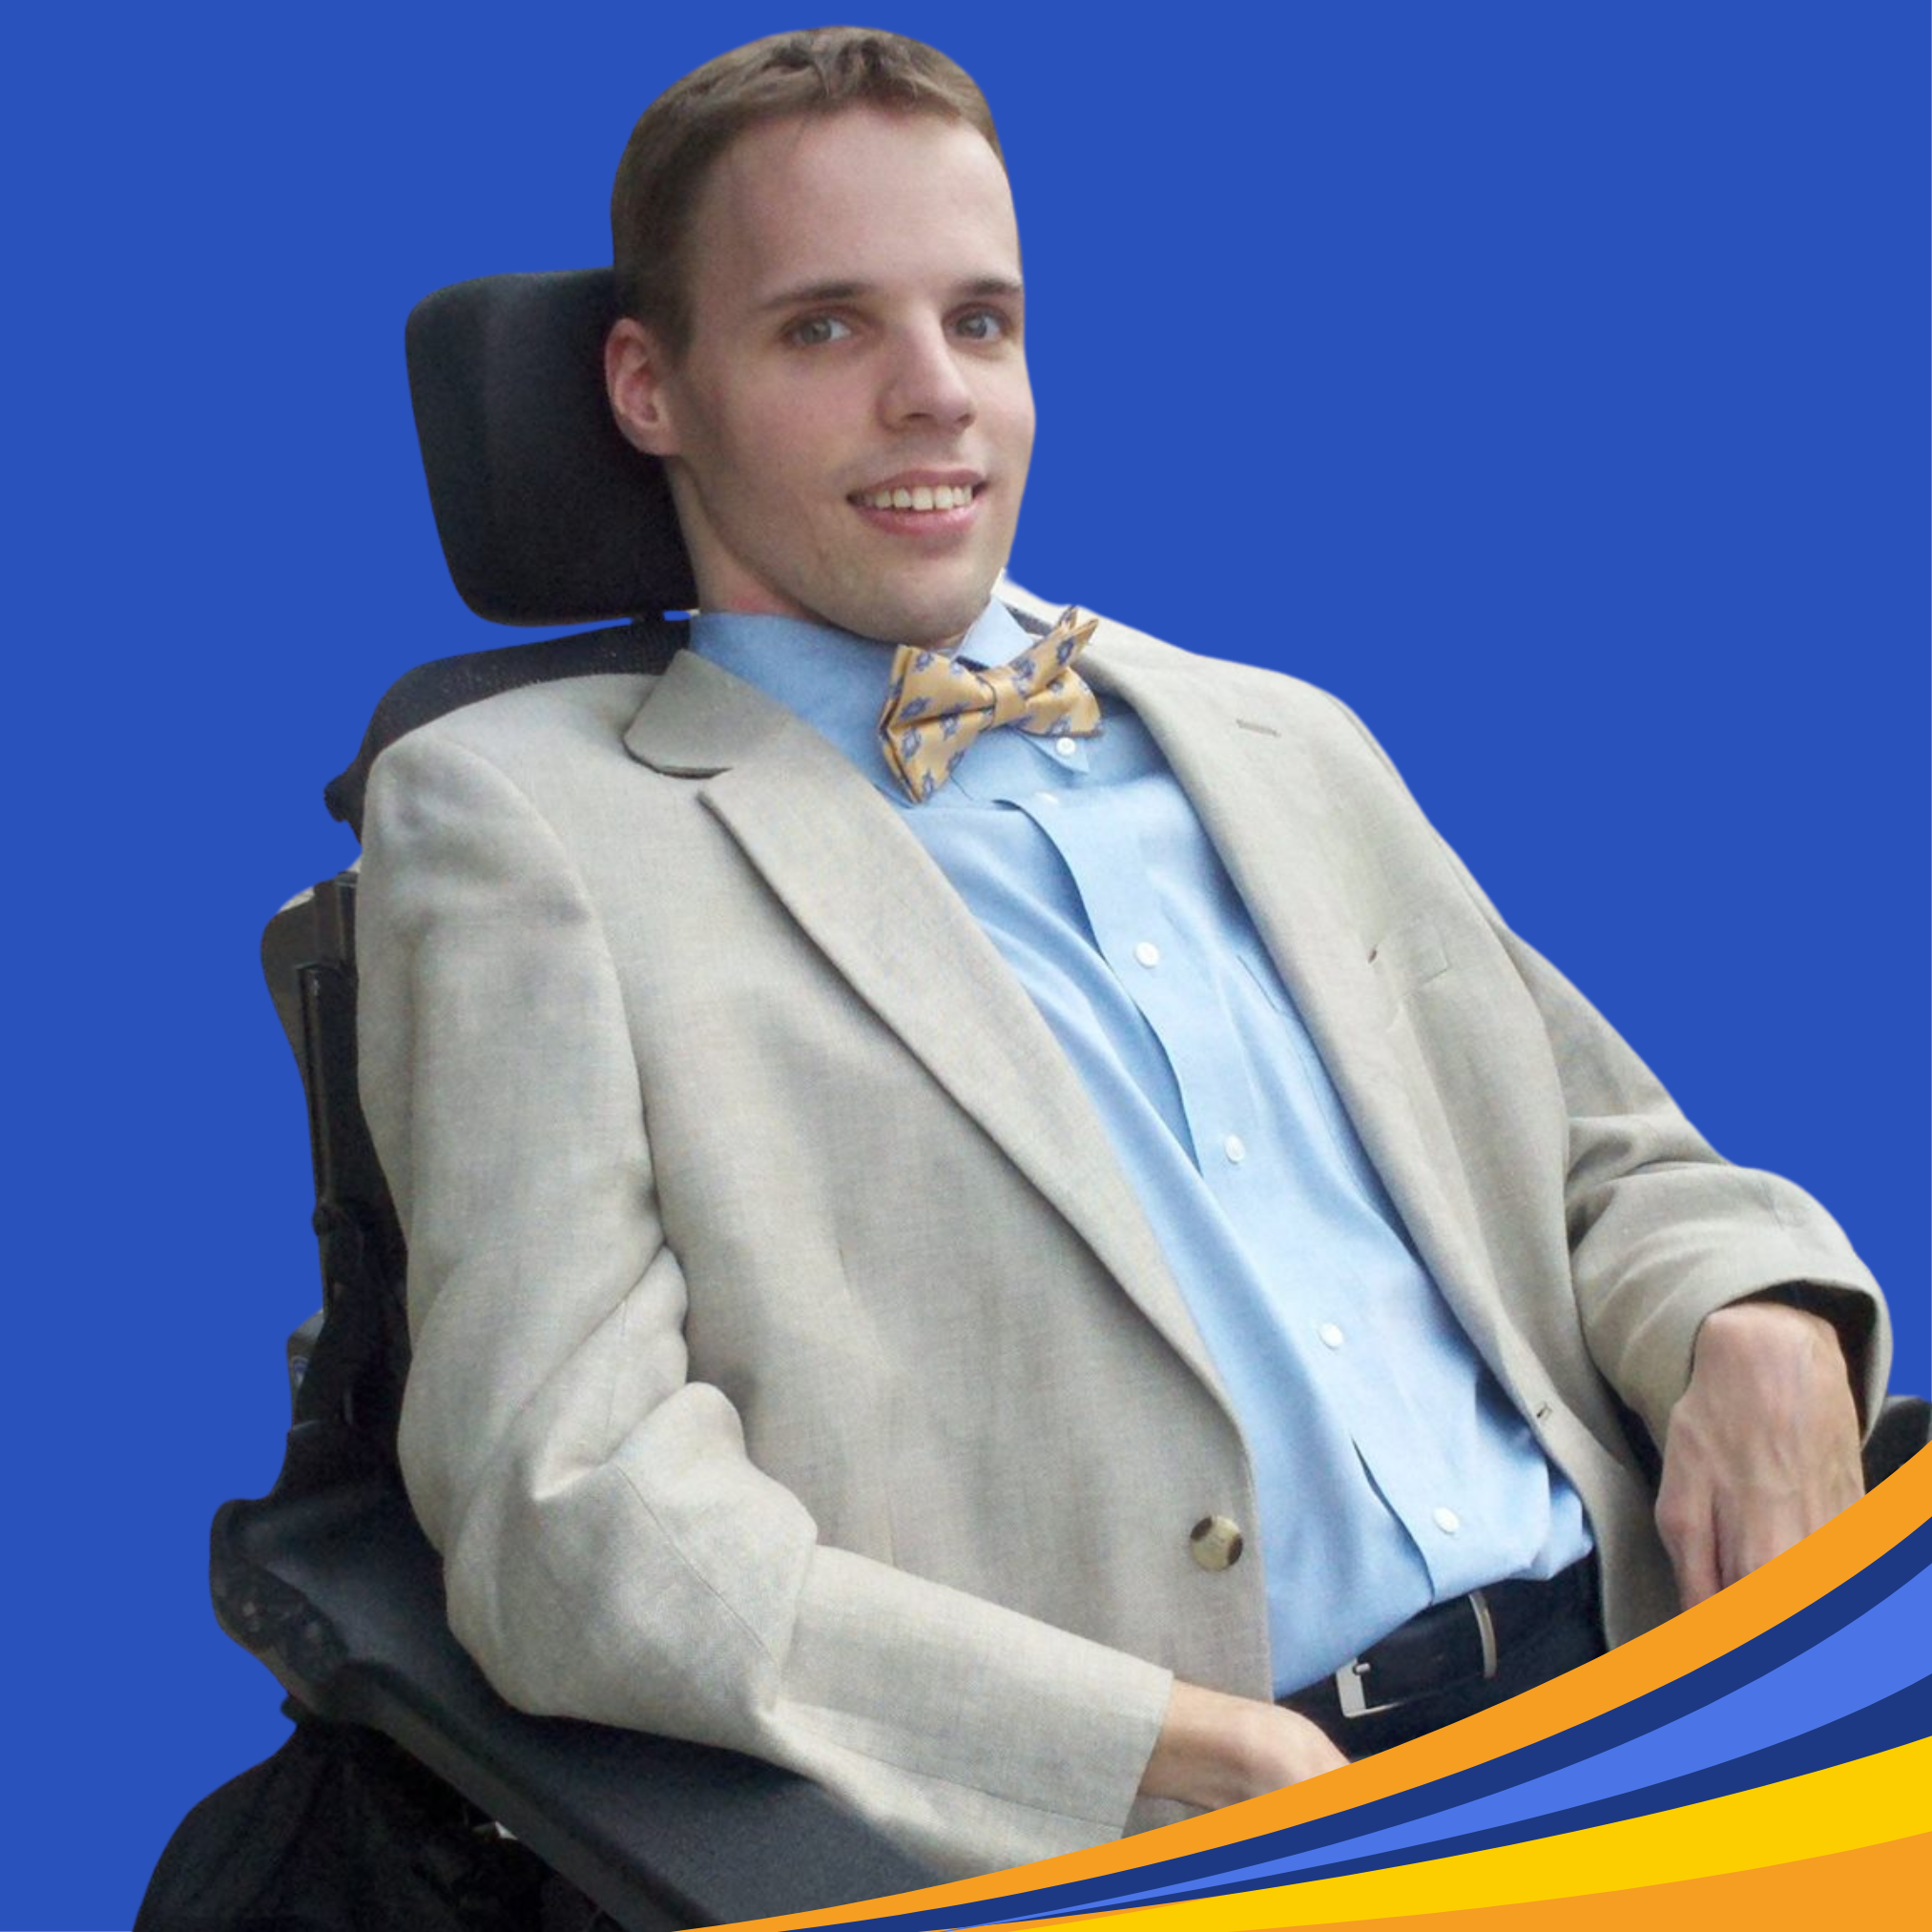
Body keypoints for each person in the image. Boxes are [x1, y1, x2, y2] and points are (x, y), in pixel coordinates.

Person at [354, 28, 1889, 1880]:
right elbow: (571, 1517)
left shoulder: (1277, 734)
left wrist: (1759, 1315)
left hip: (1668, 1683)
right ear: (646, 384)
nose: (936, 397)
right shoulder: (525, 827)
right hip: (1214, 1815)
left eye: (980, 322)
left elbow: (1606, 1163)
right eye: (825, 328)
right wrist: (1137, 1753)